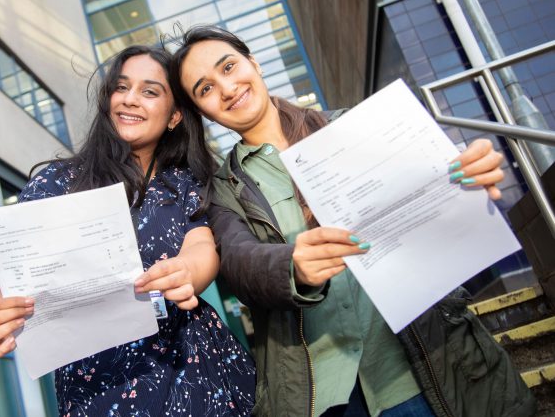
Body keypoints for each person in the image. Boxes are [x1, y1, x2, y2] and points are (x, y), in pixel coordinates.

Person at [168, 25, 536, 417]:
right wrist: (292, 266)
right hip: (323, 396)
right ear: (200, 110)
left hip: (420, 367)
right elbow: (241, 263)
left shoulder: (354, 127)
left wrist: (463, 176)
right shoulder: (224, 188)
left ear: (253, 63)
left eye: (229, 66)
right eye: (205, 89)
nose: (226, 88)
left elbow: (426, 191)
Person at [0, 45, 255, 416]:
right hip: (97, 392)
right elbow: (14, 276)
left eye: (150, 91)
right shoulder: (58, 183)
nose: (130, 99)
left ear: (174, 117)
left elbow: (201, 246)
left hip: (198, 375)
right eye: (121, 87)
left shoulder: (184, 183)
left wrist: (187, 272)